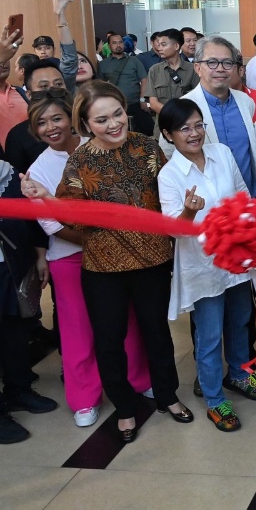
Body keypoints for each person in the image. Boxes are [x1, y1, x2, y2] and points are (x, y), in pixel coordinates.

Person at [33, 81, 192, 443]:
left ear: (126, 109)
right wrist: (44, 197)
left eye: (117, 113)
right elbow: (70, 216)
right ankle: (124, 407)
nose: (114, 124)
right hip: (103, 267)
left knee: (157, 334)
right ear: (87, 124)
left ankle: (167, 395)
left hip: (153, 260)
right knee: (109, 340)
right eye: (102, 119)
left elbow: (168, 195)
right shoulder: (80, 160)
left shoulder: (148, 147)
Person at [22, 92, 153, 428]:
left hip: (120, 253)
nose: (51, 127)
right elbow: (53, 225)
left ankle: (139, 380)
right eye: (41, 123)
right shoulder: (38, 170)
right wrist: (100, 241)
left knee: (127, 323)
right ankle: (84, 398)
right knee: (78, 329)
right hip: (71, 258)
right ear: (35, 131)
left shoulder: (98, 144)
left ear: (73, 117)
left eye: (56, 118)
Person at [157, 99, 256, 432]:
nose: (194, 134)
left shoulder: (221, 152)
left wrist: (248, 232)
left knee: (240, 320)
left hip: (234, 256)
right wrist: (190, 211)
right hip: (202, 264)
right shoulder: (169, 174)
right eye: (184, 128)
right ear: (168, 134)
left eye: (198, 125)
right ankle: (214, 397)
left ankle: (237, 374)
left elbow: (242, 195)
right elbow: (173, 229)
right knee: (208, 334)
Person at [0, 158, 58, 444]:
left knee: (16, 331)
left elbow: (31, 220)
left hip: (10, 266)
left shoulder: (9, 175)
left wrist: (39, 256)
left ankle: (18, 390)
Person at [144, 28, 197, 134]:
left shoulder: (193, 69)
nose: (159, 48)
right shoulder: (155, 70)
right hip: (163, 129)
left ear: (176, 46)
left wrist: (183, 120)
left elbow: (198, 99)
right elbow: (153, 103)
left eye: (163, 45)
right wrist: (175, 116)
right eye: (159, 45)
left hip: (188, 129)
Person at [97, 33, 152, 135]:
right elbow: (100, 86)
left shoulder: (134, 61)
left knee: (148, 130)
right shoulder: (103, 64)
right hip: (113, 106)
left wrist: (142, 99)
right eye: (114, 43)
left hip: (136, 103)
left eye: (120, 42)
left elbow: (144, 80)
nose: (118, 45)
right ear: (109, 46)